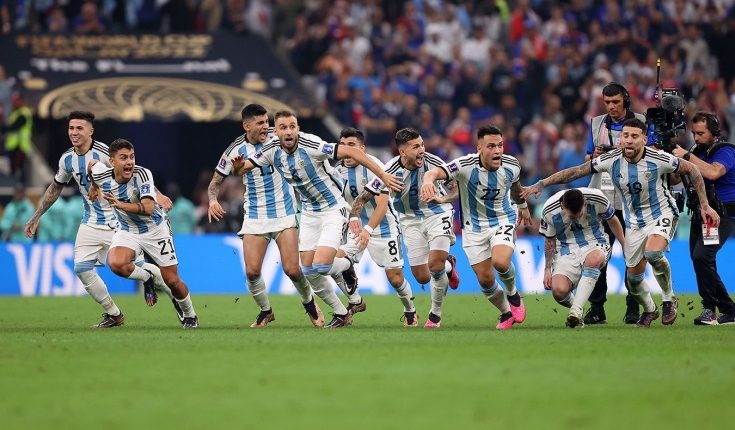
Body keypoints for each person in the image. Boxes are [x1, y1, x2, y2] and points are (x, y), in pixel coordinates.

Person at [522, 118, 720, 328]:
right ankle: (650, 309)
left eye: (634, 136)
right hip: (633, 222)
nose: (629, 140)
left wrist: (704, 205)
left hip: (662, 212)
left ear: (644, 140)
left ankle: (669, 299)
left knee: (653, 253)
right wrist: (542, 183)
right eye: (625, 135)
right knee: (633, 282)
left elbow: (693, 169)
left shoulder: (659, 158)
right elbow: (576, 171)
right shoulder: (610, 159)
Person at [231, 110, 402, 328]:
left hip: (333, 208)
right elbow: (242, 169)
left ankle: (346, 265)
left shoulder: (312, 145)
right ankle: (341, 312)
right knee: (309, 270)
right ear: (276, 131)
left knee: (321, 265)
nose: (288, 131)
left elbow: (353, 152)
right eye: (283, 127)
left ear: (298, 128)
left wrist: (383, 175)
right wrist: (237, 167)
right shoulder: (270, 149)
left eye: (292, 126)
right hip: (310, 212)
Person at [24, 111, 174, 328]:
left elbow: (136, 174)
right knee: (81, 268)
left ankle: (176, 297)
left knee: (137, 265)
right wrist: (36, 215)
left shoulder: (105, 153)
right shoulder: (67, 159)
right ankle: (114, 314)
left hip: (118, 221)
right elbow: (55, 187)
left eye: (79, 128)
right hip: (91, 221)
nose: (74, 133)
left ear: (91, 131)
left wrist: (157, 195)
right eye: (71, 128)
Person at [207, 104, 323, 328]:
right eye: (260, 123)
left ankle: (309, 303)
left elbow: (302, 145)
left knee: (292, 270)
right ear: (246, 126)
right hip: (255, 215)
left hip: (284, 211)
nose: (265, 127)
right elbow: (215, 182)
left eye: (267, 122)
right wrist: (213, 200)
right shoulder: (234, 150)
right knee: (252, 272)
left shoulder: (278, 136)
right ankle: (266, 311)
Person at [419, 125, 531, 329]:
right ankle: (506, 313)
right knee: (486, 280)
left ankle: (513, 293)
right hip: (473, 228)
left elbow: (515, 185)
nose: (497, 151)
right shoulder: (464, 165)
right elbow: (434, 172)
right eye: (491, 146)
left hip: (503, 219)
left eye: (500, 145)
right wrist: (428, 182)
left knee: (500, 262)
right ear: (479, 148)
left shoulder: (512, 164)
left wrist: (522, 206)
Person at [351, 127, 461, 329]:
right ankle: (449, 265)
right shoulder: (390, 171)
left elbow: (456, 190)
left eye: (422, 145)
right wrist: (354, 217)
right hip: (409, 220)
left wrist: (442, 198)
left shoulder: (433, 162)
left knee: (435, 265)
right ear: (402, 152)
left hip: (437, 213)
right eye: (415, 147)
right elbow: (362, 198)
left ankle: (435, 315)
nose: (422, 150)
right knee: (422, 276)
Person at [89, 138, 199, 329]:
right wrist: (94, 186)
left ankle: (190, 315)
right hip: (128, 229)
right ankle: (147, 277)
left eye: (132, 157)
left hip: (156, 230)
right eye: (124, 158)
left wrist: (121, 205)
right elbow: (92, 165)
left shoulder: (142, 174)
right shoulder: (102, 174)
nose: (129, 162)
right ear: (112, 161)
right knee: (116, 264)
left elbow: (148, 208)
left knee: (172, 280)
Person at [335, 127, 417, 325]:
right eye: (343, 145)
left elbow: (382, 205)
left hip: (382, 228)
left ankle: (410, 310)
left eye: (351, 145)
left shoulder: (377, 168)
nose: (347, 150)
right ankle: (356, 301)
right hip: (354, 228)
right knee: (332, 262)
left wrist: (368, 230)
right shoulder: (336, 170)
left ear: (362, 148)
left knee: (396, 279)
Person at [584, 82, 647, 324]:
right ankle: (597, 308)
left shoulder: (641, 122)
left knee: (633, 255)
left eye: (616, 102)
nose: (611, 106)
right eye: (607, 102)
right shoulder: (596, 123)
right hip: (601, 199)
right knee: (598, 254)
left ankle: (633, 307)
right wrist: (594, 157)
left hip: (631, 199)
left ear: (625, 101)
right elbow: (587, 160)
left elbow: (650, 154)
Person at [672, 112, 735, 325]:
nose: (696, 138)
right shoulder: (696, 151)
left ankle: (709, 309)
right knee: (701, 259)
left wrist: (687, 157)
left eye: (701, 133)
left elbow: (713, 173)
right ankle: (729, 310)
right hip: (701, 213)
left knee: (702, 257)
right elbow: (675, 179)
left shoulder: (726, 151)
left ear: (714, 132)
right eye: (694, 133)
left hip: (721, 215)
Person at [539, 188, 625, 327]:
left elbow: (613, 220)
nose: (577, 218)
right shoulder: (549, 210)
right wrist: (547, 269)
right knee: (559, 291)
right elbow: (549, 240)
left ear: (584, 202)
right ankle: (578, 306)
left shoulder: (597, 197)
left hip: (595, 242)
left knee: (593, 260)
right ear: (562, 206)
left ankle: (576, 310)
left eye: (579, 214)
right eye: (572, 217)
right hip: (565, 248)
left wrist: (624, 244)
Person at [2, 91, 32, 181]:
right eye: (13, 100)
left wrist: (5, 126)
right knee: (13, 167)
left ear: (21, 101)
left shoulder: (24, 113)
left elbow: (14, 126)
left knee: (20, 166)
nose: (14, 102)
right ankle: (15, 182)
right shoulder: (14, 112)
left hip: (20, 145)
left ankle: (21, 184)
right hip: (12, 145)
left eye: (16, 100)